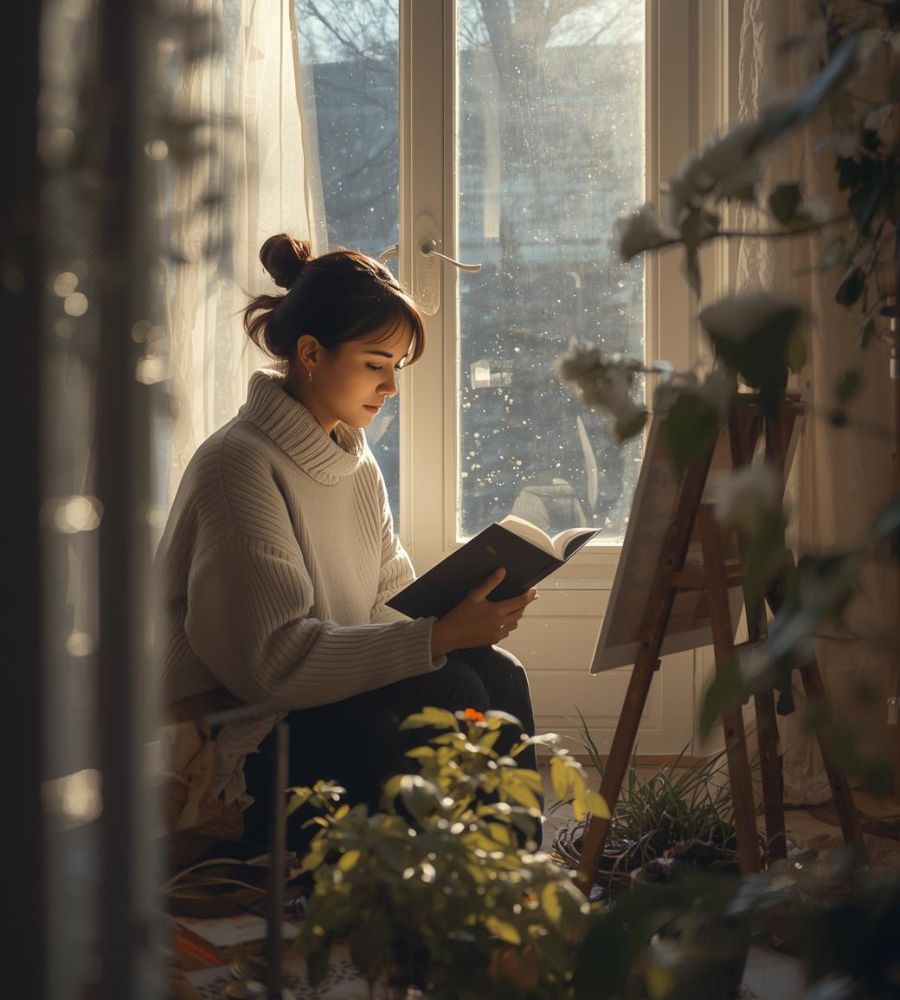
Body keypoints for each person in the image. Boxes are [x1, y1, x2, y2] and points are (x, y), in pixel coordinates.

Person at [155, 233, 540, 853]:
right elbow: (271, 666)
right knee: (453, 691)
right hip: (248, 747)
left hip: (325, 711)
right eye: (374, 363)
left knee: (498, 673)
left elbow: (387, 604)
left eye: (396, 367)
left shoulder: (353, 463)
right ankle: (446, 886)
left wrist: (460, 616)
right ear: (310, 353)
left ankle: (510, 885)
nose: (390, 387)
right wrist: (437, 636)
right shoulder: (238, 465)